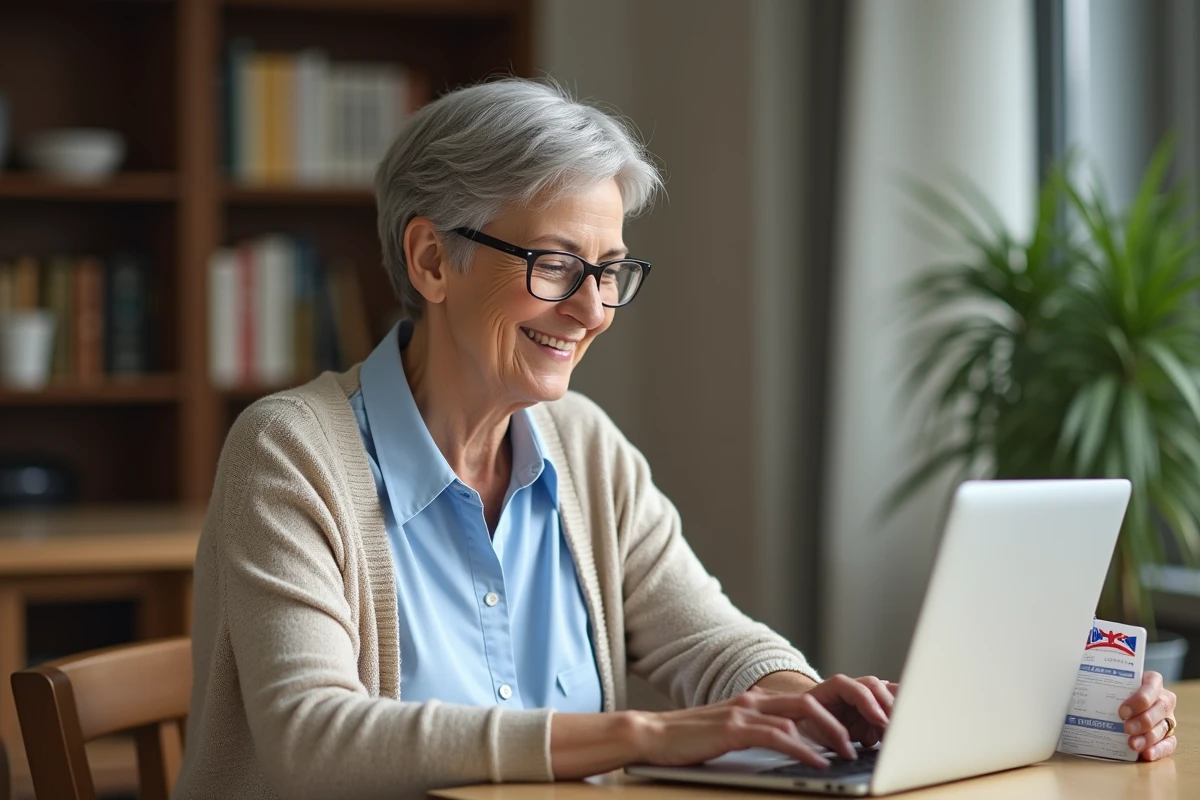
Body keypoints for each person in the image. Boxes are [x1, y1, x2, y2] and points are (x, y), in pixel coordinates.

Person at [173, 78, 1177, 799]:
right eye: (559, 263)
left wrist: (805, 704)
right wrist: (652, 733)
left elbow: (710, 640)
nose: (594, 307)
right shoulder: (292, 451)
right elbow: (313, 738)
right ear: (433, 258)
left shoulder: (583, 444)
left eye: (612, 269)